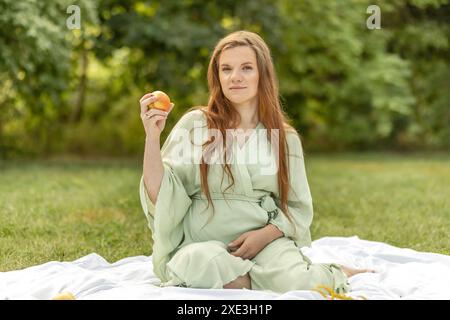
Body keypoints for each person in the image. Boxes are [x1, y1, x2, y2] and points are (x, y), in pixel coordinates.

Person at [138, 30, 373, 294]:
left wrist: (266, 235)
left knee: (301, 285)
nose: (235, 77)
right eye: (226, 69)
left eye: (246, 68)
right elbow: (161, 194)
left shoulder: (285, 138)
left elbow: (298, 207)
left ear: (263, 74)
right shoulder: (195, 125)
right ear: (217, 77)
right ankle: (264, 280)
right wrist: (152, 137)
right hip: (204, 243)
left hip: (266, 244)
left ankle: (330, 272)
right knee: (196, 265)